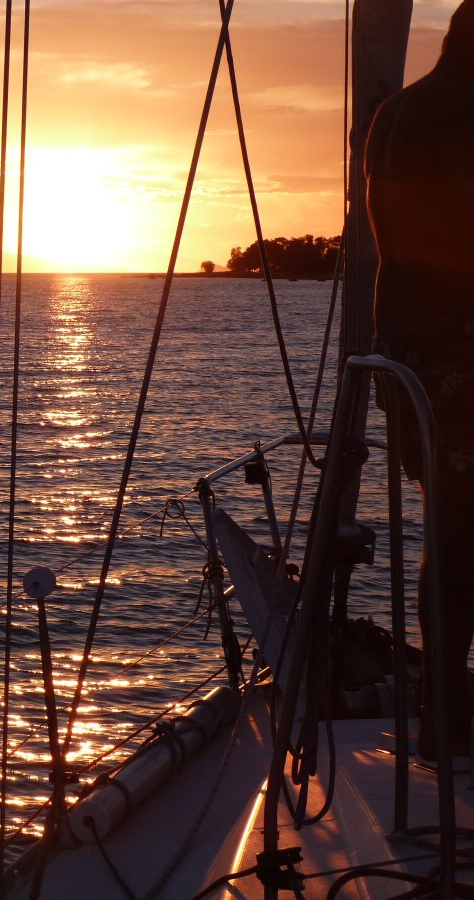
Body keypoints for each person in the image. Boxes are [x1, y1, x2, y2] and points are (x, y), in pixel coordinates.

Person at [367, 0, 474, 765]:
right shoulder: (461, 113)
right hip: (461, 359)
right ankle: (446, 721)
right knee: (463, 541)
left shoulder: (395, 115)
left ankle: (443, 718)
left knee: (452, 539)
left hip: (409, 358)